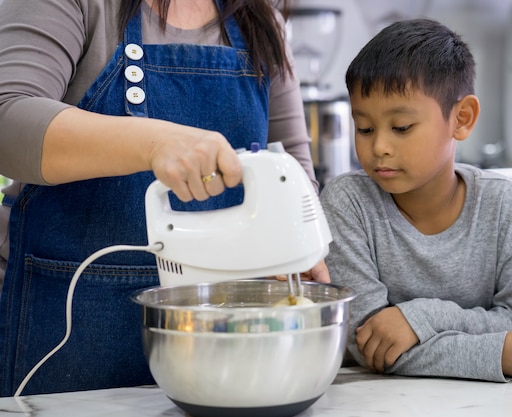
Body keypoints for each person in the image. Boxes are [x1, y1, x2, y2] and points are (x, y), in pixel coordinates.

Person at [0, 0, 328, 396]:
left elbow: (288, 160)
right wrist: (155, 144)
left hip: (225, 356)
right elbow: (8, 118)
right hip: (63, 340)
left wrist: (297, 247)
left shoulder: (260, 18)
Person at [320, 18, 512, 382]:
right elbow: (369, 346)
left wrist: (419, 317)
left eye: (401, 127)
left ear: (462, 118)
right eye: (365, 128)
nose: (379, 147)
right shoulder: (347, 203)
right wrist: (497, 355)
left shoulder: (504, 204)